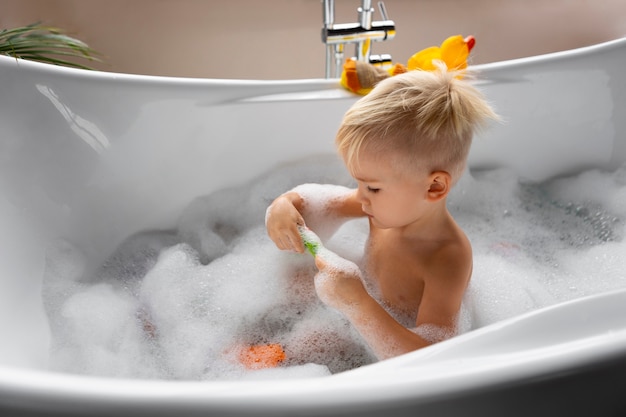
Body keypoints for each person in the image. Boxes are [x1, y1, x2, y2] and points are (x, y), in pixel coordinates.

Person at [265, 63, 499, 360]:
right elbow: (311, 204)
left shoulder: (447, 258)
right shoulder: (381, 210)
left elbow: (433, 359)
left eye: (372, 187)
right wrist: (283, 206)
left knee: (308, 344)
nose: (360, 197)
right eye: (358, 183)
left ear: (434, 187)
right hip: (360, 306)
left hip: (392, 343)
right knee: (290, 291)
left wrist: (359, 304)